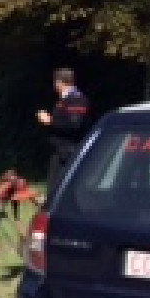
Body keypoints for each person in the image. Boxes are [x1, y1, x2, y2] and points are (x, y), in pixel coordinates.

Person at [37, 67, 91, 202]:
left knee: (64, 191)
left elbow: (74, 124)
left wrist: (50, 121)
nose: (55, 86)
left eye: (55, 82)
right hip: (60, 151)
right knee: (53, 191)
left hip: (69, 152)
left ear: (60, 83)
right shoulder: (65, 100)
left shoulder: (76, 99)